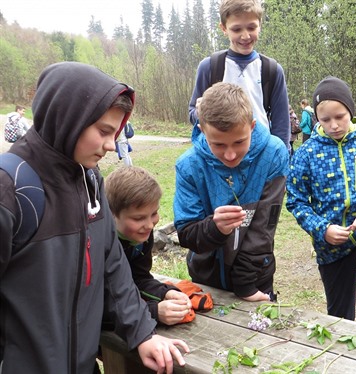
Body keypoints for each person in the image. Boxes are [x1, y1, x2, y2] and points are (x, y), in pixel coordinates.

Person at [0, 61, 189, 373]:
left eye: (114, 132)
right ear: (67, 117)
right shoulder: (11, 188)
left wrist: (142, 332)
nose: (110, 144)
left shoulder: (90, 180)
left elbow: (113, 265)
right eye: (103, 131)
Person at [286, 76, 356, 327]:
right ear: (316, 118)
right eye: (325, 119)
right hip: (331, 241)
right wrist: (322, 229)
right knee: (340, 322)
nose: (334, 125)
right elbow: (295, 201)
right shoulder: (306, 152)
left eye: (340, 116)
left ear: (350, 111)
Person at [175, 82, 289, 302]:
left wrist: (245, 284)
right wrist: (215, 228)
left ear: (252, 126)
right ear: (202, 131)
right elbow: (186, 233)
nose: (230, 155)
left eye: (239, 142)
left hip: (256, 276)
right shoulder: (188, 166)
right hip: (206, 277)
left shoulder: (274, 153)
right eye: (218, 144)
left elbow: (265, 226)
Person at [188, 0, 290, 149]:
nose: (245, 36)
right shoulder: (210, 67)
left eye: (251, 27)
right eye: (236, 29)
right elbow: (192, 113)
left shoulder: (272, 70)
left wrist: (282, 159)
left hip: (260, 155)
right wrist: (201, 111)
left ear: (260, 25)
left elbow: (282, 124)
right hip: (220, 155)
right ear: (224, 28)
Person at [105, 166, 192, 325]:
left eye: (154, 214)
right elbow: (99, 306)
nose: (150, 225)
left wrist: (166, 293)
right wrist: (153, 312)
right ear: (111, 214)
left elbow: (138, 278)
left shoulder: (140, 235)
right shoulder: (98, 246)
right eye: (138, 218)